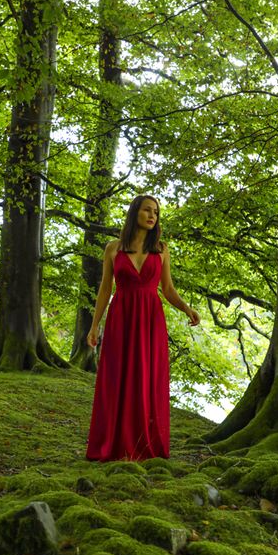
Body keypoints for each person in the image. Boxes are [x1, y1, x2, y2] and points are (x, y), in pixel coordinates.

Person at [85, 194, 200, 462]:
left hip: (150, 320)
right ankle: (114, 444)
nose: (152, 216)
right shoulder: (113, 248)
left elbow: (168, 289)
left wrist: (187, 308)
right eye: (147, 210)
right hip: (120, 318)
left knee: (147, 377)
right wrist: (94, 326)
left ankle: (143, 444)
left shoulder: (161, 249)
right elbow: (105, 290)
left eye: (156, 213)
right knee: (117, 377)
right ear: (135, 212)